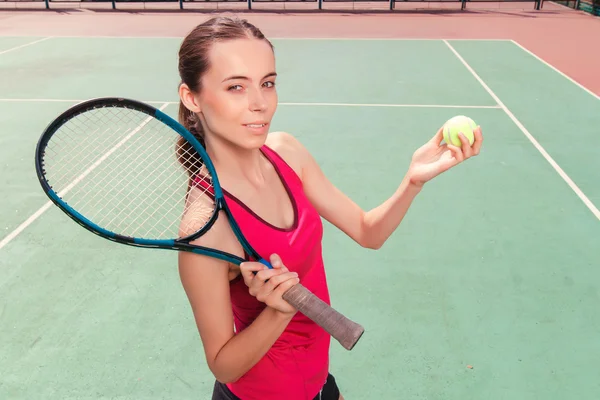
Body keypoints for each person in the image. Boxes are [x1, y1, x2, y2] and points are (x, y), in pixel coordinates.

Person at [176, 16, 483, 400]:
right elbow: (223, 364)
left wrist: (413, 180)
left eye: (267, 83)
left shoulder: (286, 152)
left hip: (319, 383)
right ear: (192, 97)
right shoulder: (204, 225)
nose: (260, 104)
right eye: (236, 87)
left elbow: (368, 231)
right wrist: (277, 312)